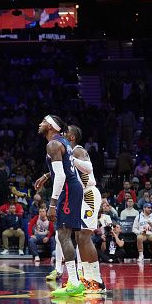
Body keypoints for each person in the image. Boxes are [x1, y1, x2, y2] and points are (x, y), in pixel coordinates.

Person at [37, 115, 86, 297]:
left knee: (63, 235)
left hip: (67, 189)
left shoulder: (52, 145)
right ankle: (73, 281)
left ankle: (74, 283)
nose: (40, 124)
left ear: (51, 126)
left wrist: (52, 203)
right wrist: (46, 175)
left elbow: (62, 175)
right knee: (64, 235)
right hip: (72, 188)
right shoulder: (62, 141)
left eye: (43, 121)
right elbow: (65, 166)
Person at [66, 125, 106, 293]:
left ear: (72, 137)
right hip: (80, 197)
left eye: (65, 132)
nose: (62, 134)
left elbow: (88, 167)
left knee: (84, 236)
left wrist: (72, 160)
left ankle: (97, 280)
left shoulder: (78, 151)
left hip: (88, 193)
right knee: (79, 236)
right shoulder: (68, 154)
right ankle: (87, 278)